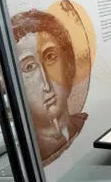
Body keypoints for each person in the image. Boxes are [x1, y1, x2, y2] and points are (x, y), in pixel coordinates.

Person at [11, 10, 88, 166]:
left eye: (50, 57)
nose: (46, 84)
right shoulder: (30, 159)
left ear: (68, 64)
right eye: (29, 67)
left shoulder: (89, 124)